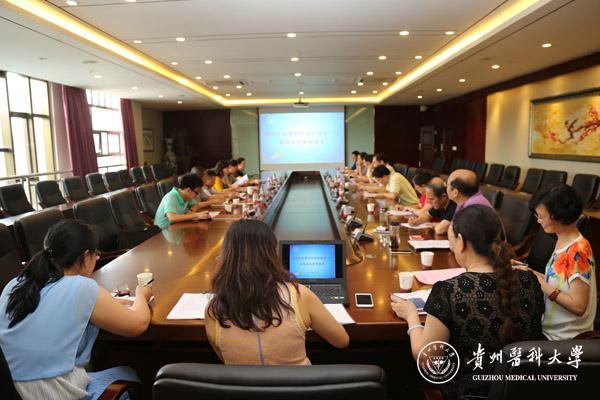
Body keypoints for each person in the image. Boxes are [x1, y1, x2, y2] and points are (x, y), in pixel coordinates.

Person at [390, 205, 544, 399]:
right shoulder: (530, 281)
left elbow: (427, 359)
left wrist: (412, 317)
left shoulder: (448, 290)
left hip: (470, 393)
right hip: (524, 391)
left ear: (461, 241)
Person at [0, 219, 153, 400]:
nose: (97, 259)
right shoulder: (82, 286)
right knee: (130, 374)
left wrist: (108, 304)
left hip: (11, 388)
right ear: (86, 255)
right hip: (51, 392)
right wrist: (141, 294)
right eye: (96, 254)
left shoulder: (15, 284)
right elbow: (139, 324)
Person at [205, 220, 349, 365]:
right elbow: (342, 341)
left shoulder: (213, 310)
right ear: (272, 253)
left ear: (226, 255)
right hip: (298, 380)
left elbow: (224, 358)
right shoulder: (299, 295)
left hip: (241, 381)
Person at [526, 183, 596, 340]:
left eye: (541, 217)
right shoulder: (562, 239)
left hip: (565, 337)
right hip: (552, 327)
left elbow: (579, 306)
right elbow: (557, 282)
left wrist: (542, 284)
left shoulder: (578, 251)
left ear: (559, 216)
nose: (538, 221)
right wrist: (530, 273)